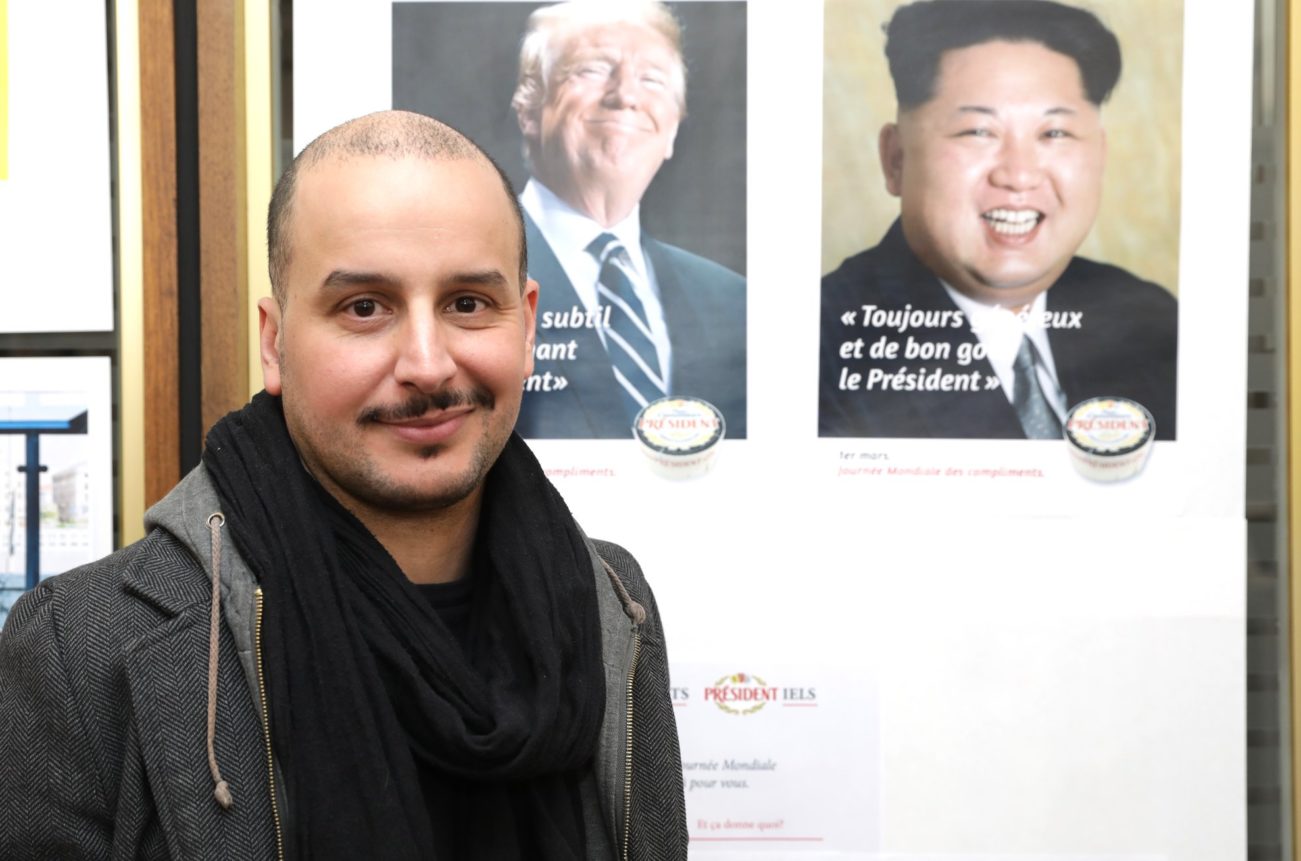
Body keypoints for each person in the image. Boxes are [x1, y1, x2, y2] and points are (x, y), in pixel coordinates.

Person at [0, 111, 686, 860]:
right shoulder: (82, 647)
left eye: (466, 303)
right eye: (365, 308)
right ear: (274, 342)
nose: (427, 364)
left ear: (525, 328)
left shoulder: (609, 599)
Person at [819, 0, 1178, 440]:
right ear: (896, 160)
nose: (1019, 176)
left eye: (1055, 133)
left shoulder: (1150, 321)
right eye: (978, 132)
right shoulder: (817, 349)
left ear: (1099, 156)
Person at [511, 0, 747, 439]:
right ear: (529, 111)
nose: (625, 96)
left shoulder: (735, 303)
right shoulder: (473, 282)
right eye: (592, 69)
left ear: (672, 130)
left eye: (652, 79)